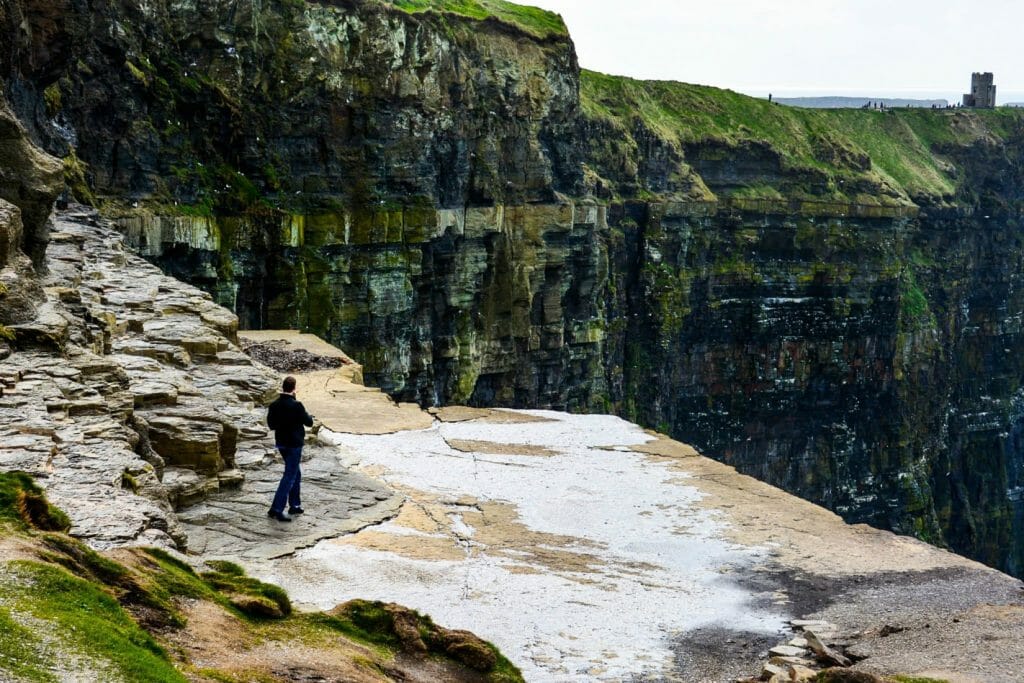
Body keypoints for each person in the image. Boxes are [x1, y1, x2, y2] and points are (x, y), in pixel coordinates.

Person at [266, 375, 314, 522]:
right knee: (289, 476)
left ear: (283, 387)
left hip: (281, 443)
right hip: (294, 444)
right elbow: (309, 422)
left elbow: (271, 425)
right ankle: (277, 509)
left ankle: (295, 505)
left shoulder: (274, 405)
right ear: (294, 388)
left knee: (295, 473)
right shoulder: (296, 405)